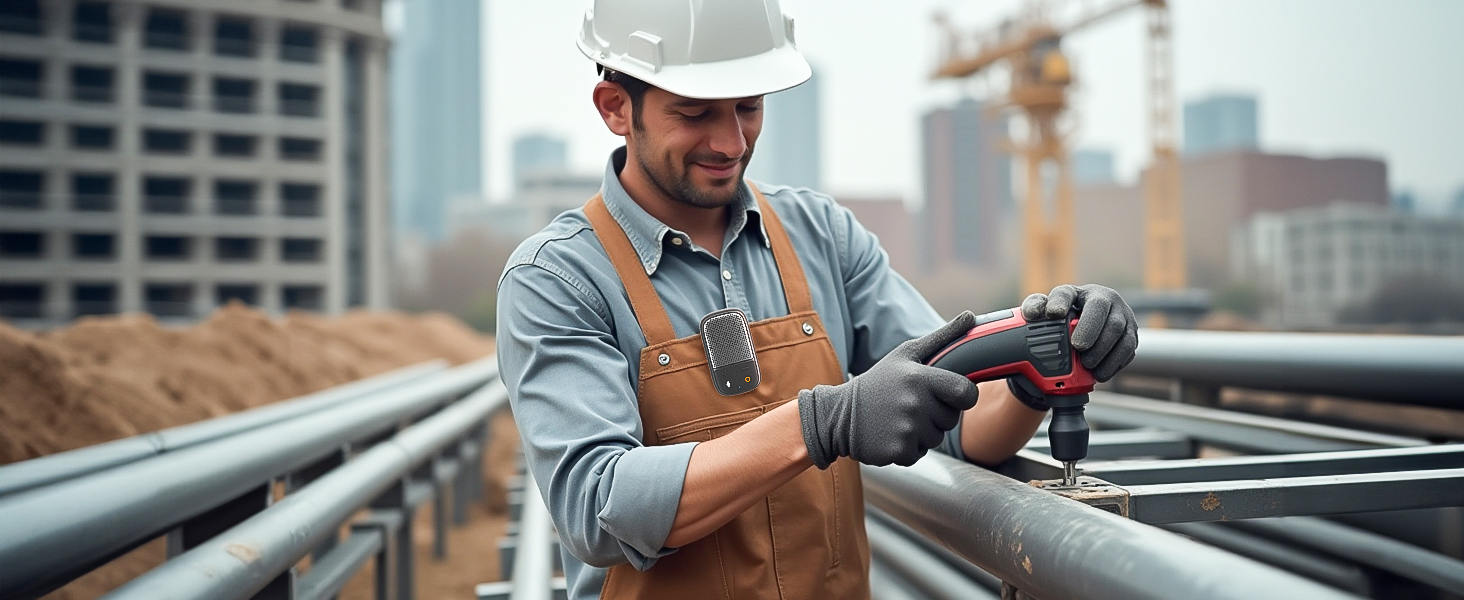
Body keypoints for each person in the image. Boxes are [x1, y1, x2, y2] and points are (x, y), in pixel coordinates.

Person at [495, 1, 1140, 598]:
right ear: (614, 106)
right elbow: (598, 507)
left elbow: (960, 419)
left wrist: (1034, 366)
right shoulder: (557, 281)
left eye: (748, 107)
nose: (730, 143)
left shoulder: (821, 237)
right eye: (695, 114)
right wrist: (821, 424)